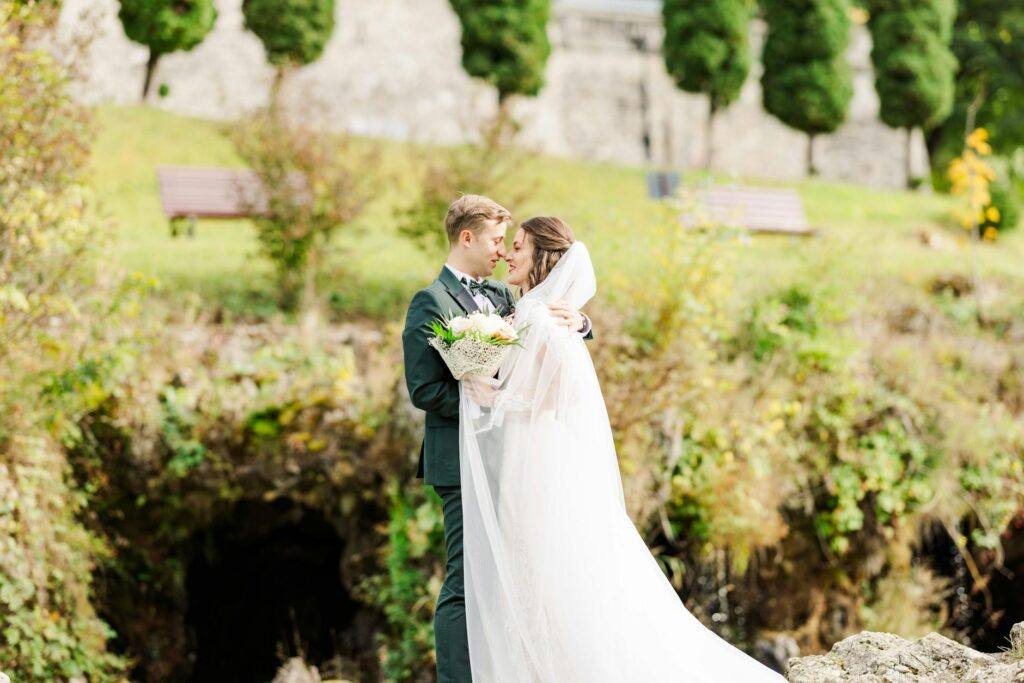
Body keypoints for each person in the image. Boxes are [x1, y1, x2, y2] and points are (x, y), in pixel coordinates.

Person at [458, 216, 789, 682]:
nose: (509, 255)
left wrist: (495, 398)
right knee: (538, 572)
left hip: (538, 462)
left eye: (518, 247)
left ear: (543, 257)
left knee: (550, 573)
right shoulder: (530, 308)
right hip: (530, 456)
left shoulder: (543, 316)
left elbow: (555, 392)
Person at [401, 196, 592, 683]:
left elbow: (544, 334)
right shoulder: (431, 301)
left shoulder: (503, 297)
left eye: (510, 243)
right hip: (458, 462)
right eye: (496, 240)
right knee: (466, 578)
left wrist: (582, 322)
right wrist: (476, 398)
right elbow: (423, 390)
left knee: (510, 578)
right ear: (467, 237)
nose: (504, 251)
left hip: (509, 460)